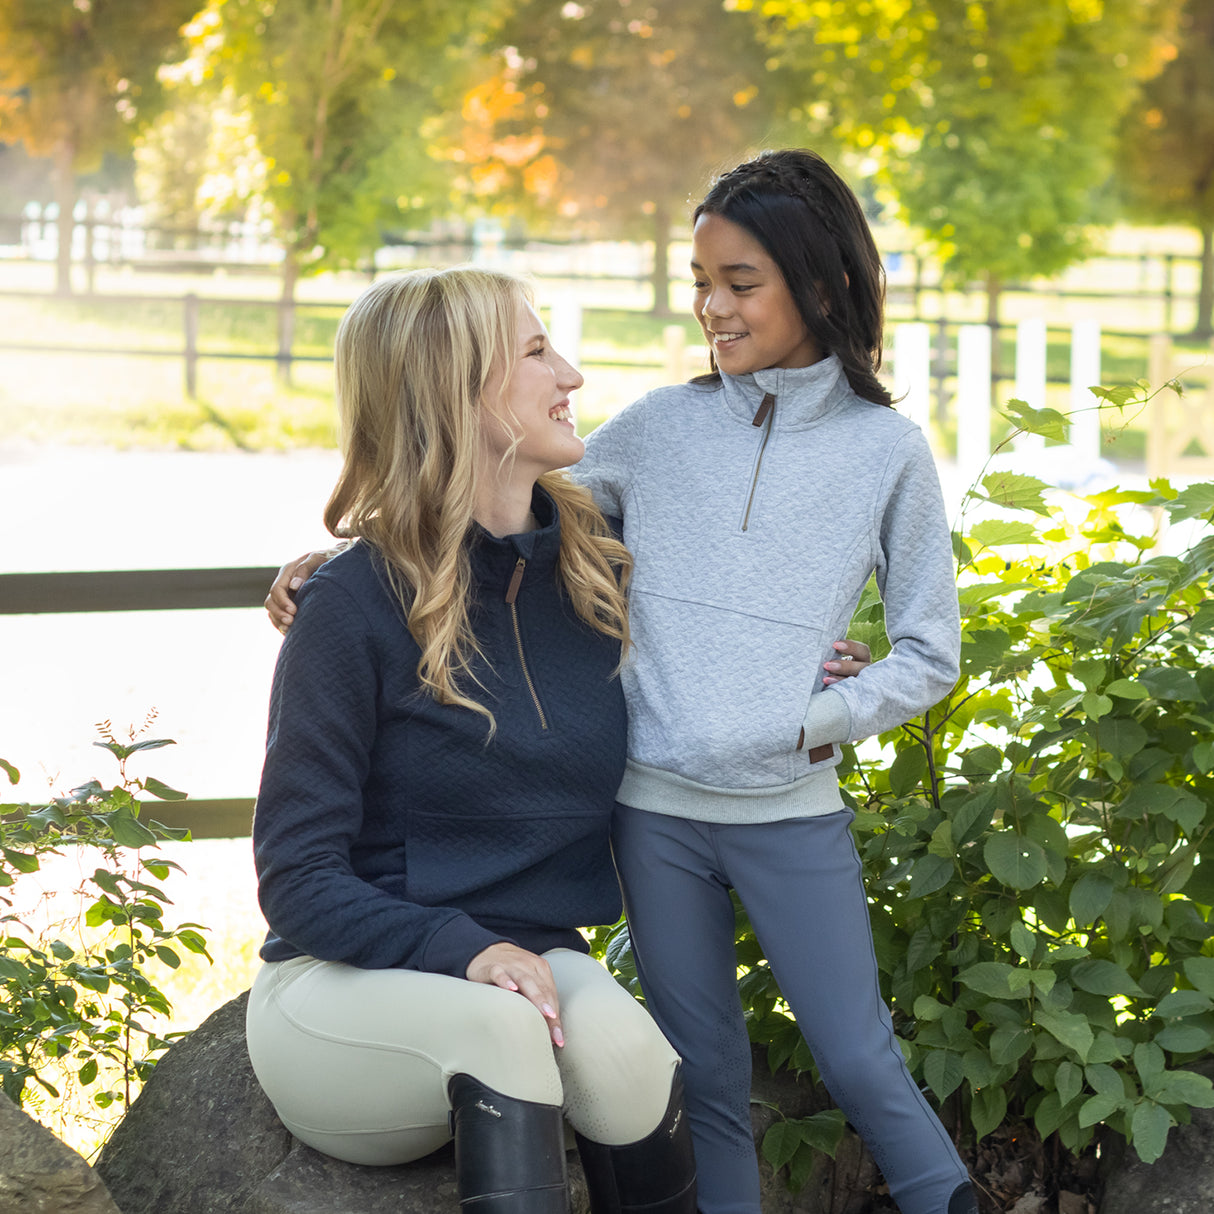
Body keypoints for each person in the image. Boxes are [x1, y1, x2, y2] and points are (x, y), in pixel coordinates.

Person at [266, 148, 977, 1214]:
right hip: (548, 873)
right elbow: (473, 515)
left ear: (819, 286)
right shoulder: (642, 437)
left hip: (750, 824)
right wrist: (330, 568)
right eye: (701, 282)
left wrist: (816, 706)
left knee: (772, 1056)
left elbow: (899, 637)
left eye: (739, 283)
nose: (710, 308)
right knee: (626, 1048)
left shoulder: (862, 460)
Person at [246, 265, 698, 1214]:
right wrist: (458, 948)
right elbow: (296, 873)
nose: (571, 374)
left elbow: (737, 619)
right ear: (455, 392)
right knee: (502, 1033)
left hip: (531, 960)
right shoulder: (354, 606)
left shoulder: (600, 572)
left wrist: (829, 659)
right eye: (537, 352)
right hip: (346, 981)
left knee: (629, 1053)